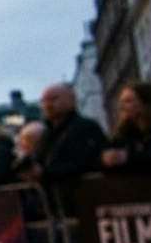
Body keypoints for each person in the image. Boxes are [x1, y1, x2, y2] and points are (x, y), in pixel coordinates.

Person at [31, 83, 106, 213]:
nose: (47, 105)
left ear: (71, 100)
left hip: (83, 198)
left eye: (53, 99)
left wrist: (46, 173)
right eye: (43, 101)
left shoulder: (85, 128)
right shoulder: (47, 134)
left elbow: (86, 163)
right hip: (59, 203)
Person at [101, 82, 151, 176]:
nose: (121, 106)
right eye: (120, 101)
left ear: (146, 104)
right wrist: (107, 160)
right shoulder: (124, 132)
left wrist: (129, 158)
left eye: (128, 101)